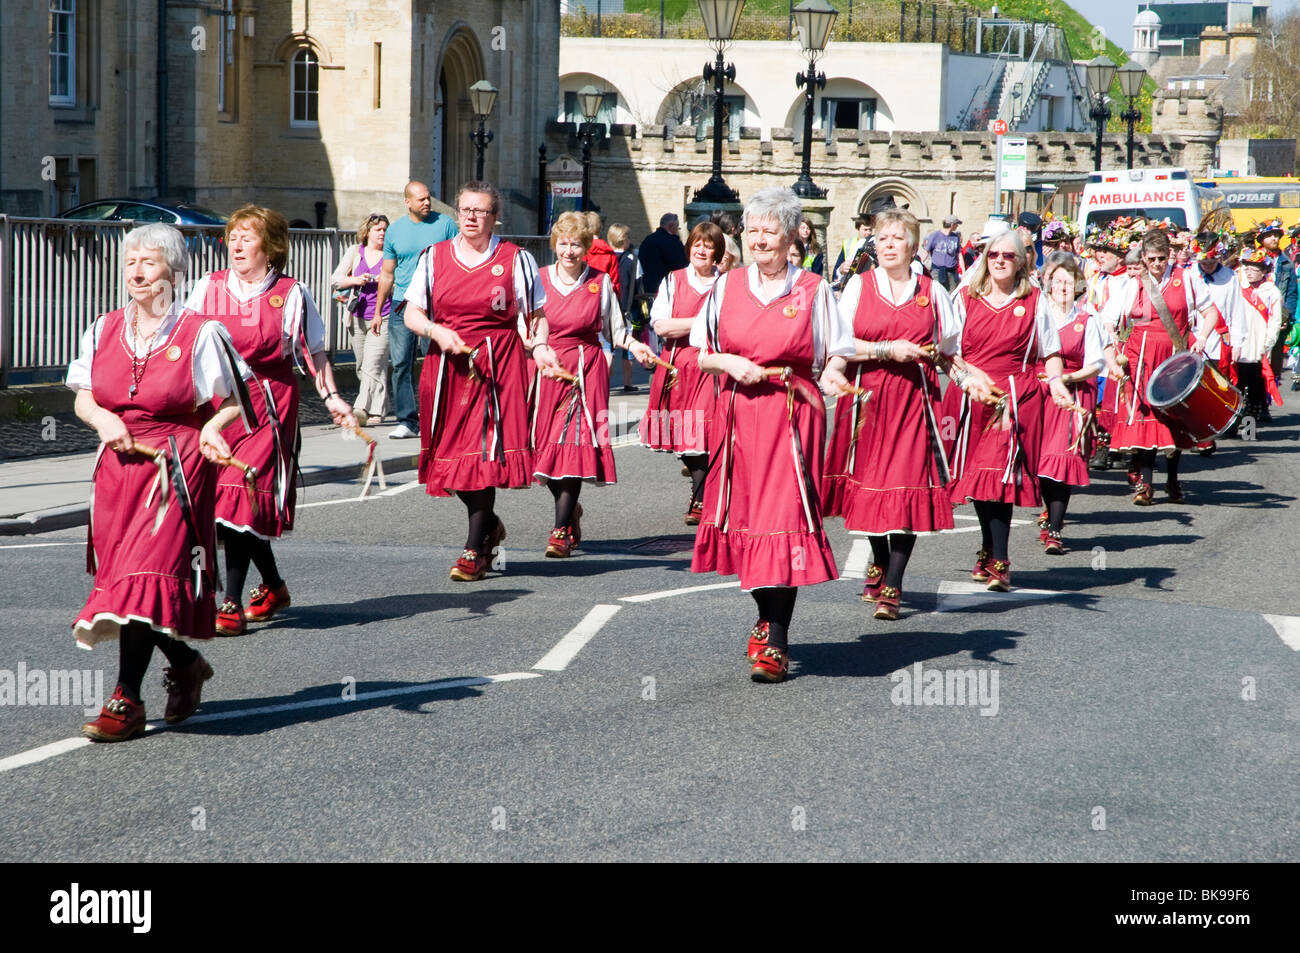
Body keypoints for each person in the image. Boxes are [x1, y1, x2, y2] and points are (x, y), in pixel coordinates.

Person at [68, 223, 253, 741]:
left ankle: (125, 698)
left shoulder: (200, 333)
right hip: (117, 470)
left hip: (176, 468)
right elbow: (83, 394)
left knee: (141, 581)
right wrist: (104, 421)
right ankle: (186, 662)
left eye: (148, 263)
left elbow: (235, 402)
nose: (137, 272)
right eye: (130, 263)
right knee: (130, 586)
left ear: (174, 272)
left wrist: (214, 430)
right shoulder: (102, 328)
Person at [690, 186, 854, 683]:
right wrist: (731, 362)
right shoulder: (725, 287)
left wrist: (832, 373)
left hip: (793, 415)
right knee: (749, 521)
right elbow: (701, 352)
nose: (760, 239)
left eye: (770, 230)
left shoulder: (813, 289)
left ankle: (776, 640)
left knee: (783, 522)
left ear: (791, 237)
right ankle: (765, 617)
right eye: (754, 229)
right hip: (739, 416)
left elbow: (838, 350)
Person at [185, 206, 356, 636]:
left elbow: (314, 350)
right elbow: (183, 343)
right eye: (233, 236)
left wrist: (333, 397)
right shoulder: (208, 288)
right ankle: (275, 585)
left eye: (248, 236)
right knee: (225, 508)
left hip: (267, 405)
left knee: (242, 498)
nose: (237, 245)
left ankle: (230, 603)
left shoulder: (292, 293)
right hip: (219, 409)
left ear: (271, 246)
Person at [403, 180, 559, 581]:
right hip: (447, 366)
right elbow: (412, 313)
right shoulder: (434, 257)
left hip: (497, 365)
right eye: (466, 210)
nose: (472, 217)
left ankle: (474, 549)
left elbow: (536, 316)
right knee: (451, 460)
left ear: (494, 217)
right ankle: (488, 525)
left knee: (484, 457)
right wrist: (437, 332)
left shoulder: (514, 259)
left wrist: (539, 348)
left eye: (481, 211)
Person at [822, 208, 966, 620]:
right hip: (865, 399)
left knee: (906, 490)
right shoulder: (858, 287)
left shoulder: (932, 291)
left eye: (897, 238)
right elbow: (841, 347)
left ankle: (893, 584)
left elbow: (948, 353)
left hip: (913, 401)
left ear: (913, 246)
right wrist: (887, 350)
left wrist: (969, 380)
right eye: (882, 238)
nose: (887, 245)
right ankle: (879, 557)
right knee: (869, 486)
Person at [941, 230, 1072, 592]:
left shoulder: (1035, 302)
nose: (999, 260)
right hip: (971, 394)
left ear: (1022, 262)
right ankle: (987, 547)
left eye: (1008, 256)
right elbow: (947, 351)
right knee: (981, 483)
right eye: (993, 254)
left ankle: (1000, 559)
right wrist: (969, 376)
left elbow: (1051, 351)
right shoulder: (966, 298)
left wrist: (1058, 383)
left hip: (1014, 397)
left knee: (998, 478)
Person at [531, 213, 654, 556]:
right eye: (563, 243)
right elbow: (523, 330)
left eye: (576, 244)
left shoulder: (599, 282)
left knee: (573, 447)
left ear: (586, 247)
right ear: (554, 244)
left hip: (586, 372)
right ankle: (570, 512)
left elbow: (617, 330)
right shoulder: (539, 280)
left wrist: (636, 346)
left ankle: (559, 530)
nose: (569, 251)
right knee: (547, 450)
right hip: (548, 370)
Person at [1103, 228, 1218, 504]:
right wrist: (1114, 344)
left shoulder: (1187, 279)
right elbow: (1108, 318)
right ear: (1143, 257)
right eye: (1152, 258)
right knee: (1146, 419)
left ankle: (1173, 480)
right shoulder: (1131, 284)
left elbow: (1210, 311)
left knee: (1174, 418)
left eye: (1162, 258)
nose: (1157, 264)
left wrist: (1201, 337)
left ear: (1170, 256)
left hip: (1174, 356)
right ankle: (1145, 485)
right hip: (1140, 357)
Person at [638, 221, 725, 522]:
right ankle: (701, 489)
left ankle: (701, 499)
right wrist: (704, 322)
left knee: (703, 431)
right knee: (684, 436)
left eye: (708, 245)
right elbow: (661, 325)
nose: (701, 249)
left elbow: (730, 326)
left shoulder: (726, 283)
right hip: (676, 365)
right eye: (697, 244)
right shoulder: (673, 280)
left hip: (711, 364)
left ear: (717, 252)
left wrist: (686, 324)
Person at [373, 181, 458, 439]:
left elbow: (457, 263)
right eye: (420, 199)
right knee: (401, 364)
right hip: (401, 304)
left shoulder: (445, 225)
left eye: (428, 198)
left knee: (435, 361)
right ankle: (407, 422)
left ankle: (439, 417)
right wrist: (378, 311)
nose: (427, 202)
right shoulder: (395, 231)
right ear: (407, 202)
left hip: (435, 305)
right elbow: (387, 273)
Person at [1035, 253, 1106, 554]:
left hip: (1073, 397)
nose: (1063, 287)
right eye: (1057, 281)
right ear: (1048, 285)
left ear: (1077, 286)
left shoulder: (1086, 320)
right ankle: (1047, 514)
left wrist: (1068, 377)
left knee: (1061, 462)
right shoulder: (1037, 317)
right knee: (1039, 465)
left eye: (1069, 282)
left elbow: (1096, 363)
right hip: (1038, 396)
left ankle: (1055, 529)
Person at [331, 213, 391, 427]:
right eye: (378, 229)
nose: (382, 233)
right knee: (363, 366)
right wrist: (355, 280)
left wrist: (385, 283)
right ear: (367, 232)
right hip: (357, 315)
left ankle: (360, 409)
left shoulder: (391, 254)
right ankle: (379, 409)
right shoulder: (355, 252)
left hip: (383, 315)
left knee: (372, 363)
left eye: (385, 229)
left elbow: (398, 281)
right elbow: (335, 279)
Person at [1236, 245, 1284, 425]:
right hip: (1241, 345)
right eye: (1246, 268)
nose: (1249, 272)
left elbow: (1275, 321)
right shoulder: (1239, 288)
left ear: (1263, 271)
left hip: (1258, 346)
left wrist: (1267, 343)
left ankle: (1251, 428)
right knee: (1238, 385)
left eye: (1253, 269)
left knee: (1256, 386)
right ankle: (1233, 423)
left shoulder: (1271, 292)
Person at [608, 222, 644, 393]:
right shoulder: (632, 260)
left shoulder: (605, 257)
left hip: (606, 307)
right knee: (629, 345)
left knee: (607, 346)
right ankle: (628, 382)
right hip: (627, 307)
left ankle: (604, 382)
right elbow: (639, 285)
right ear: (624, 240)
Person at [638, 213, 688, 296]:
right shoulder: (673, 243)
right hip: (665, 290)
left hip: (646, 288)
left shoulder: (648, 239)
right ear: (671, 226)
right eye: (677, 227)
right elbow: (682, 266)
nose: (677, 230)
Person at [922, 215, 962, 291]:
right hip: (937, 271)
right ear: (952, 225)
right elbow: (926, 251)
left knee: (951, 296)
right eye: (956, 224)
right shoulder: (934, 236)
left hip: (952, 272)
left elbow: (959, 254)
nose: (957, 226)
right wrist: (919, 263)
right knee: (937, 294)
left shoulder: (956, 237)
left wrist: (963, 272)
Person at [833, 215, 872, 283]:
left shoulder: (875, 244)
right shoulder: (848, 243)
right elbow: (838, 266)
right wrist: (836, 288)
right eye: (865, 230)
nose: (868, 233)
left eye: (870, 230)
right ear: (858, 229)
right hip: (850, 282)